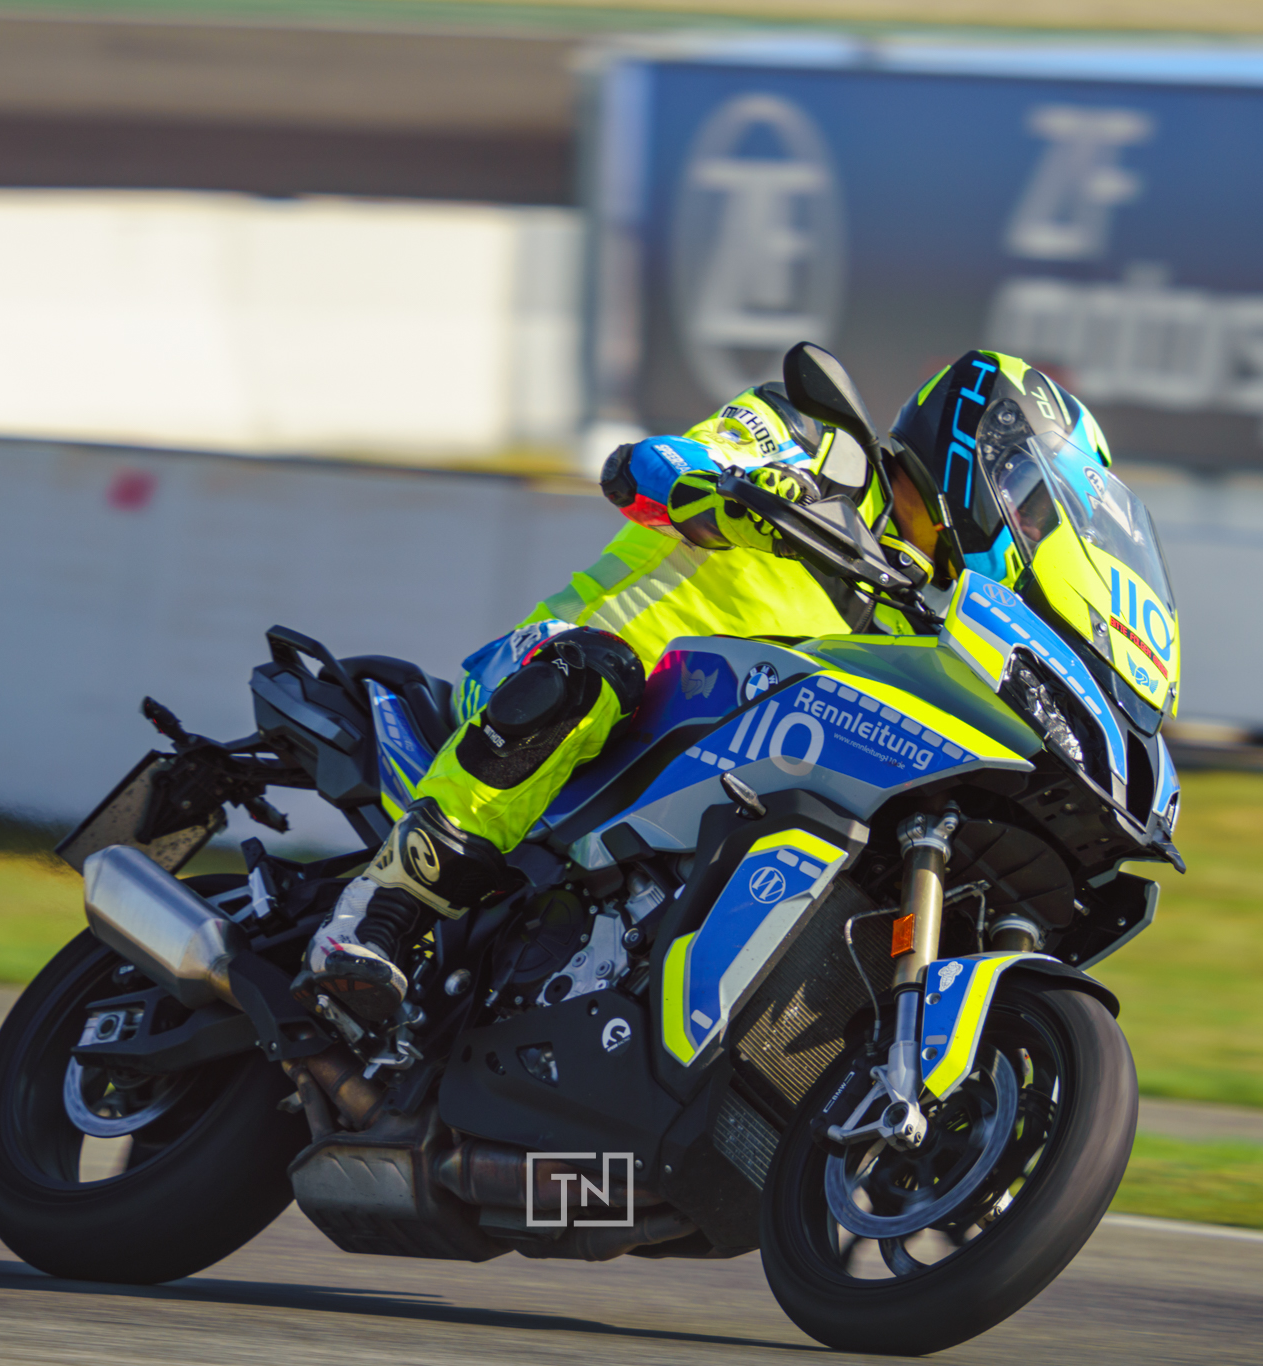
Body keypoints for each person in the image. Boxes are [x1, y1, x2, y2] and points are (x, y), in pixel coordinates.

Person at [301, 349, 1111, 1023]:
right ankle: (379, 913)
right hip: (561, 681)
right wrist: (729, 486)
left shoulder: (937, 619)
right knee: (595, 675)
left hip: (709, 772)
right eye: (1036, 508)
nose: (1036, 533)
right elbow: (657, 468)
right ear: (978, 457)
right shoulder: (815, 443)